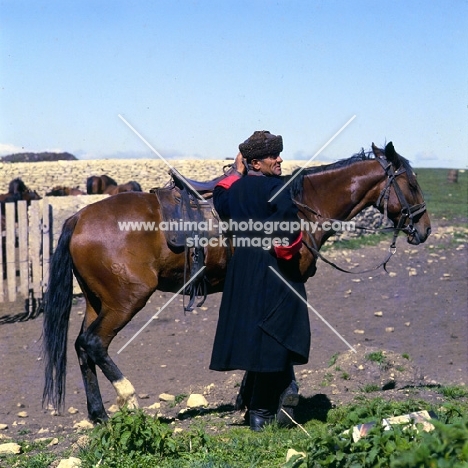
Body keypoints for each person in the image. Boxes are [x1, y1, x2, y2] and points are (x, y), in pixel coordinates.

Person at [210, 130, 311, 431]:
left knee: (257, 334)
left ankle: (268, 401)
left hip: (242, 270)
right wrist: (287, 249)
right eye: (272, 156)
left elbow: (219, 195)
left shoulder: (235, 191)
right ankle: (261, 411)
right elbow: (288, 233)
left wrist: (235, 171)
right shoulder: (277, 188)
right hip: (272, 269)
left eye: (278, 154)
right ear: (256, 162)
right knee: (278, 332)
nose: (279, 159)